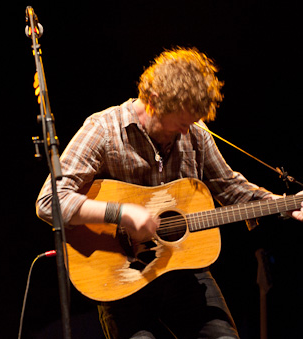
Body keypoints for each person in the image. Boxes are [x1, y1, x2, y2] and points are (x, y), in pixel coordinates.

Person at [36, 47, 303, 338]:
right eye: (180, 124)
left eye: (191, 124)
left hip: (183, 274)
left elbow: (230, 187)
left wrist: (284, 204)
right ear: (153, 101)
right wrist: (121, 213)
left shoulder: (195, 133)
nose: (187, 133)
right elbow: (50, 201)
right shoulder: (103, 129)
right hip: (120, 278)